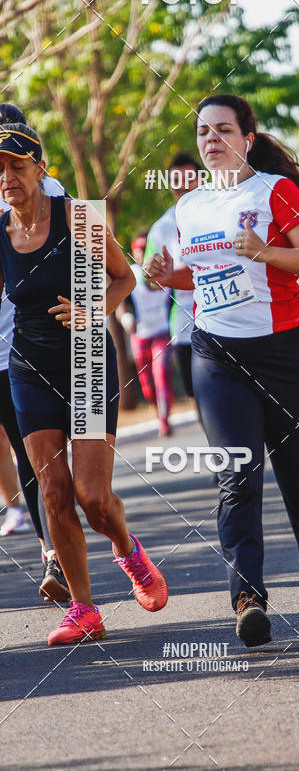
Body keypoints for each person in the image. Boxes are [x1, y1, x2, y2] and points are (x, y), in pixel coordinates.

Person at [145, 93, 299, 647]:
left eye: (223, 129)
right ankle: (247, 599)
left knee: (297, 477)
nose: (212, 140)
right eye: (204, 132)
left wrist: (265, 252)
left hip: (287, 353)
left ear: (247, 139)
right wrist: (166, 275)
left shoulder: (274, 192)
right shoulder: (190, 208)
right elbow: (202, 277)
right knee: (236, 475)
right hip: (217, 356)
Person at [0, 122, 168, 645]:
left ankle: (128, 551)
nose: (7, 178)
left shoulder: (78, 218)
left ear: (40, 169)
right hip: (29, 367)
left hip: (88, 361)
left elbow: (126, 277)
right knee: (52, 492)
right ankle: (84, 609)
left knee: (92, 498)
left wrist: (92, 311)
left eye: (17, 167)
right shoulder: (0, 232)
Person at [0, 104, 70, 600]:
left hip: (34, 347)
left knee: (43, 460)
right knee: (25, 455)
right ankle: (53, 548)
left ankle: (56, 550)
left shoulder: (56, 196)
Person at [144, 152, 201, 402]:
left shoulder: (221, 212)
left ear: (201, 180)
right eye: (176, 181)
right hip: (186, 328)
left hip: (228, 320)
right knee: (199, 397)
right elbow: (151, 281)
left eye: (189, 179)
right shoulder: (161, 227)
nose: (183, 186)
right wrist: (155, 273)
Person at [118, 233, 174, 436]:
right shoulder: (131, 274)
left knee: (161, 375)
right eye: (139, 251)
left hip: (162, 331)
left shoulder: (164, 271)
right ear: (134, 252)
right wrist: (125, 318)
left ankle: (164, 421)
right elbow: (121, 305)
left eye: (146, 250)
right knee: (147, 383)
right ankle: (156, 407)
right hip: (140, 334)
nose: (142, 254)